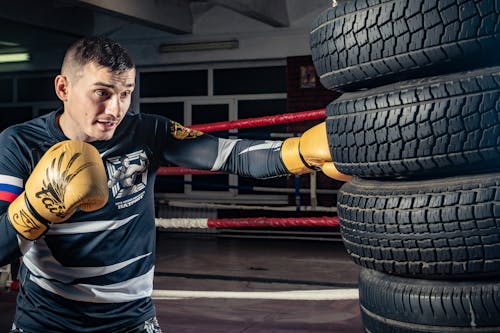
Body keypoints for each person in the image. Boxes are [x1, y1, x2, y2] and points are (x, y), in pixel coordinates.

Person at [0, 36, 349, 333]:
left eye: (126, 93)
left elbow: (231, 155)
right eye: (102, 93)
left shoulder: (146, 131)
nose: (116, 108)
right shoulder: (20, 145)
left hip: (131, 321)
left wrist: (300, 151)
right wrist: (34, 210)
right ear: (63, 87)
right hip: (46, 321)